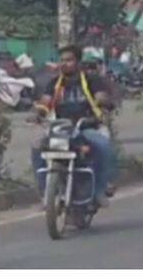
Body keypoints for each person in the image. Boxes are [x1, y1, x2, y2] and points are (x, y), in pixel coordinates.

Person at [32, 45, 117, 207]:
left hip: (88, 126)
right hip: (62, 130)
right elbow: (45, 101)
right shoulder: (54, 83)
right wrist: (38, 113)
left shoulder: (92, 80)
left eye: (69, 60)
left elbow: (101, 95)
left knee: (103, 146)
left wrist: (103, 101)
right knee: (37, 146)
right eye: (62, 60)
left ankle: (99, 189)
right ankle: (45, 193)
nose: (64, 63)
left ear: (78, 62)